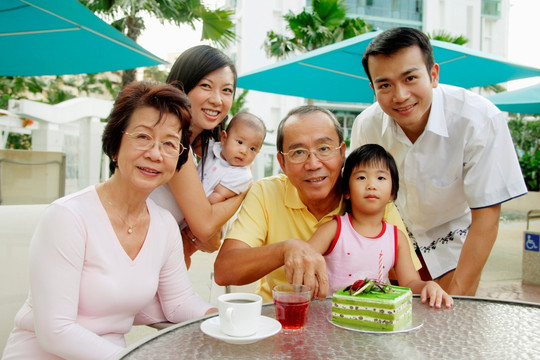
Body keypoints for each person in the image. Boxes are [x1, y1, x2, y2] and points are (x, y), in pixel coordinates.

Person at [1, 82, 216, 360]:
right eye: (142, 137)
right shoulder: (67, 218)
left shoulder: (164, 226)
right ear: (115, 146)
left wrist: (222, 317)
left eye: (169, 144)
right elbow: (56, 331)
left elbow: (178, 303)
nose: (155, 153)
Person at [350, 27, 527, 296]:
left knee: (450, 328)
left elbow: (487, 216)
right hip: (388, 247)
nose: (400, 96)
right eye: (385, 85)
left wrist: (460, 293)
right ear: (373, 88)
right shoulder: (367, 125)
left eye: (410, 78)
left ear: (433, 75)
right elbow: (360, 200)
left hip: (453, 246)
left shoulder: (479, 119)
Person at [214, 105, 421, 302]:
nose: (313, 164)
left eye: (324, 149)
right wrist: (285, 250)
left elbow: (404, 281)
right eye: (298, 153)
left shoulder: (371, 198)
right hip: (281, 320)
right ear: (282, 163)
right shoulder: (266, 193)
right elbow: (224, 271)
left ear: (342, 153)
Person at [308, 144, 453, 309]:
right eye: (361, 177)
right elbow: (302, 261)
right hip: (331, 322)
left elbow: (410, 283)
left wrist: (428, 286)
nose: (371, 185)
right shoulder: (333, 230)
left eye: (381, 178)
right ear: (347, 191)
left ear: (392, 192)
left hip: (377, 322)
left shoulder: (396, 238)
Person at [149, 45, 246, 268]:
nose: (217, 100)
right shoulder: (170, 141)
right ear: (181, 86)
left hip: (162, 269)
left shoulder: (202, 153)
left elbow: (212, 241)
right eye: (206, 86)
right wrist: (242, 188)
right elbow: (204, 226)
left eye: (227, 90)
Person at [199, 112, 266, 204]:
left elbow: (218, 196)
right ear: (224, 138)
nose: (244, 151)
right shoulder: (213, 148)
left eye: (252, 148)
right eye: (239, 142)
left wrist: (195, 210)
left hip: (200, 208)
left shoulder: (241, 175)